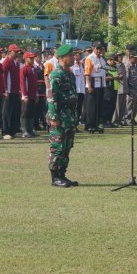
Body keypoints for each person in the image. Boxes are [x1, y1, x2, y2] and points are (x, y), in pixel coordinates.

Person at [47, 44, 79, 188]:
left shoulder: (70, 74)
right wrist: (54, 117)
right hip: (59, 117)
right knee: (58, 147)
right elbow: (52, 97)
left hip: (69, 117)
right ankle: (55, 177)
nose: (73, 58)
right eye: (70, 55)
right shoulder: (56, 75)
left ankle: (62, 174)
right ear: (61, 58)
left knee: (67, 147)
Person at [83, 44, 106, 133]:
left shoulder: (102, 59)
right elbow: (87, 73)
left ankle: (96, 124)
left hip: (100, 85)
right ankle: (89, 124)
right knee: (91, 107)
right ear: (94, 48)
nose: (99, 51)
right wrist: (89, 85)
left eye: (100, 49)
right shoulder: (90, 58)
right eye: (97, 49)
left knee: (98, 106)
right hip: (92, 85)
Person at [1, 44, 21, 139]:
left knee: (14, 111)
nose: (17, 53)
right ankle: (5, 131)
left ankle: (13, 130)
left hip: (15, 91)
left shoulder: (15, 62)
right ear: (10, 52)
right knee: (6, 111)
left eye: (17, 51)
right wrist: (5, 89)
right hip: (8, 90)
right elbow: (4, 77)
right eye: (15, 51)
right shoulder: (6, 62)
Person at [20, 51, 39, 138]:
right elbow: (23, 83)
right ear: (26, 58)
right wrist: (24, 95)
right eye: (30, 58)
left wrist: (36, 94)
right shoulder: (24, 69)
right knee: (25, 112)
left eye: (33, 58)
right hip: (27, 95)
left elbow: (35, 83)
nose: (32, 59)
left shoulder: (33, 68)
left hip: (33, 94)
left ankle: (30, 129)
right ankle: (25, 130)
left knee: (31, 112)